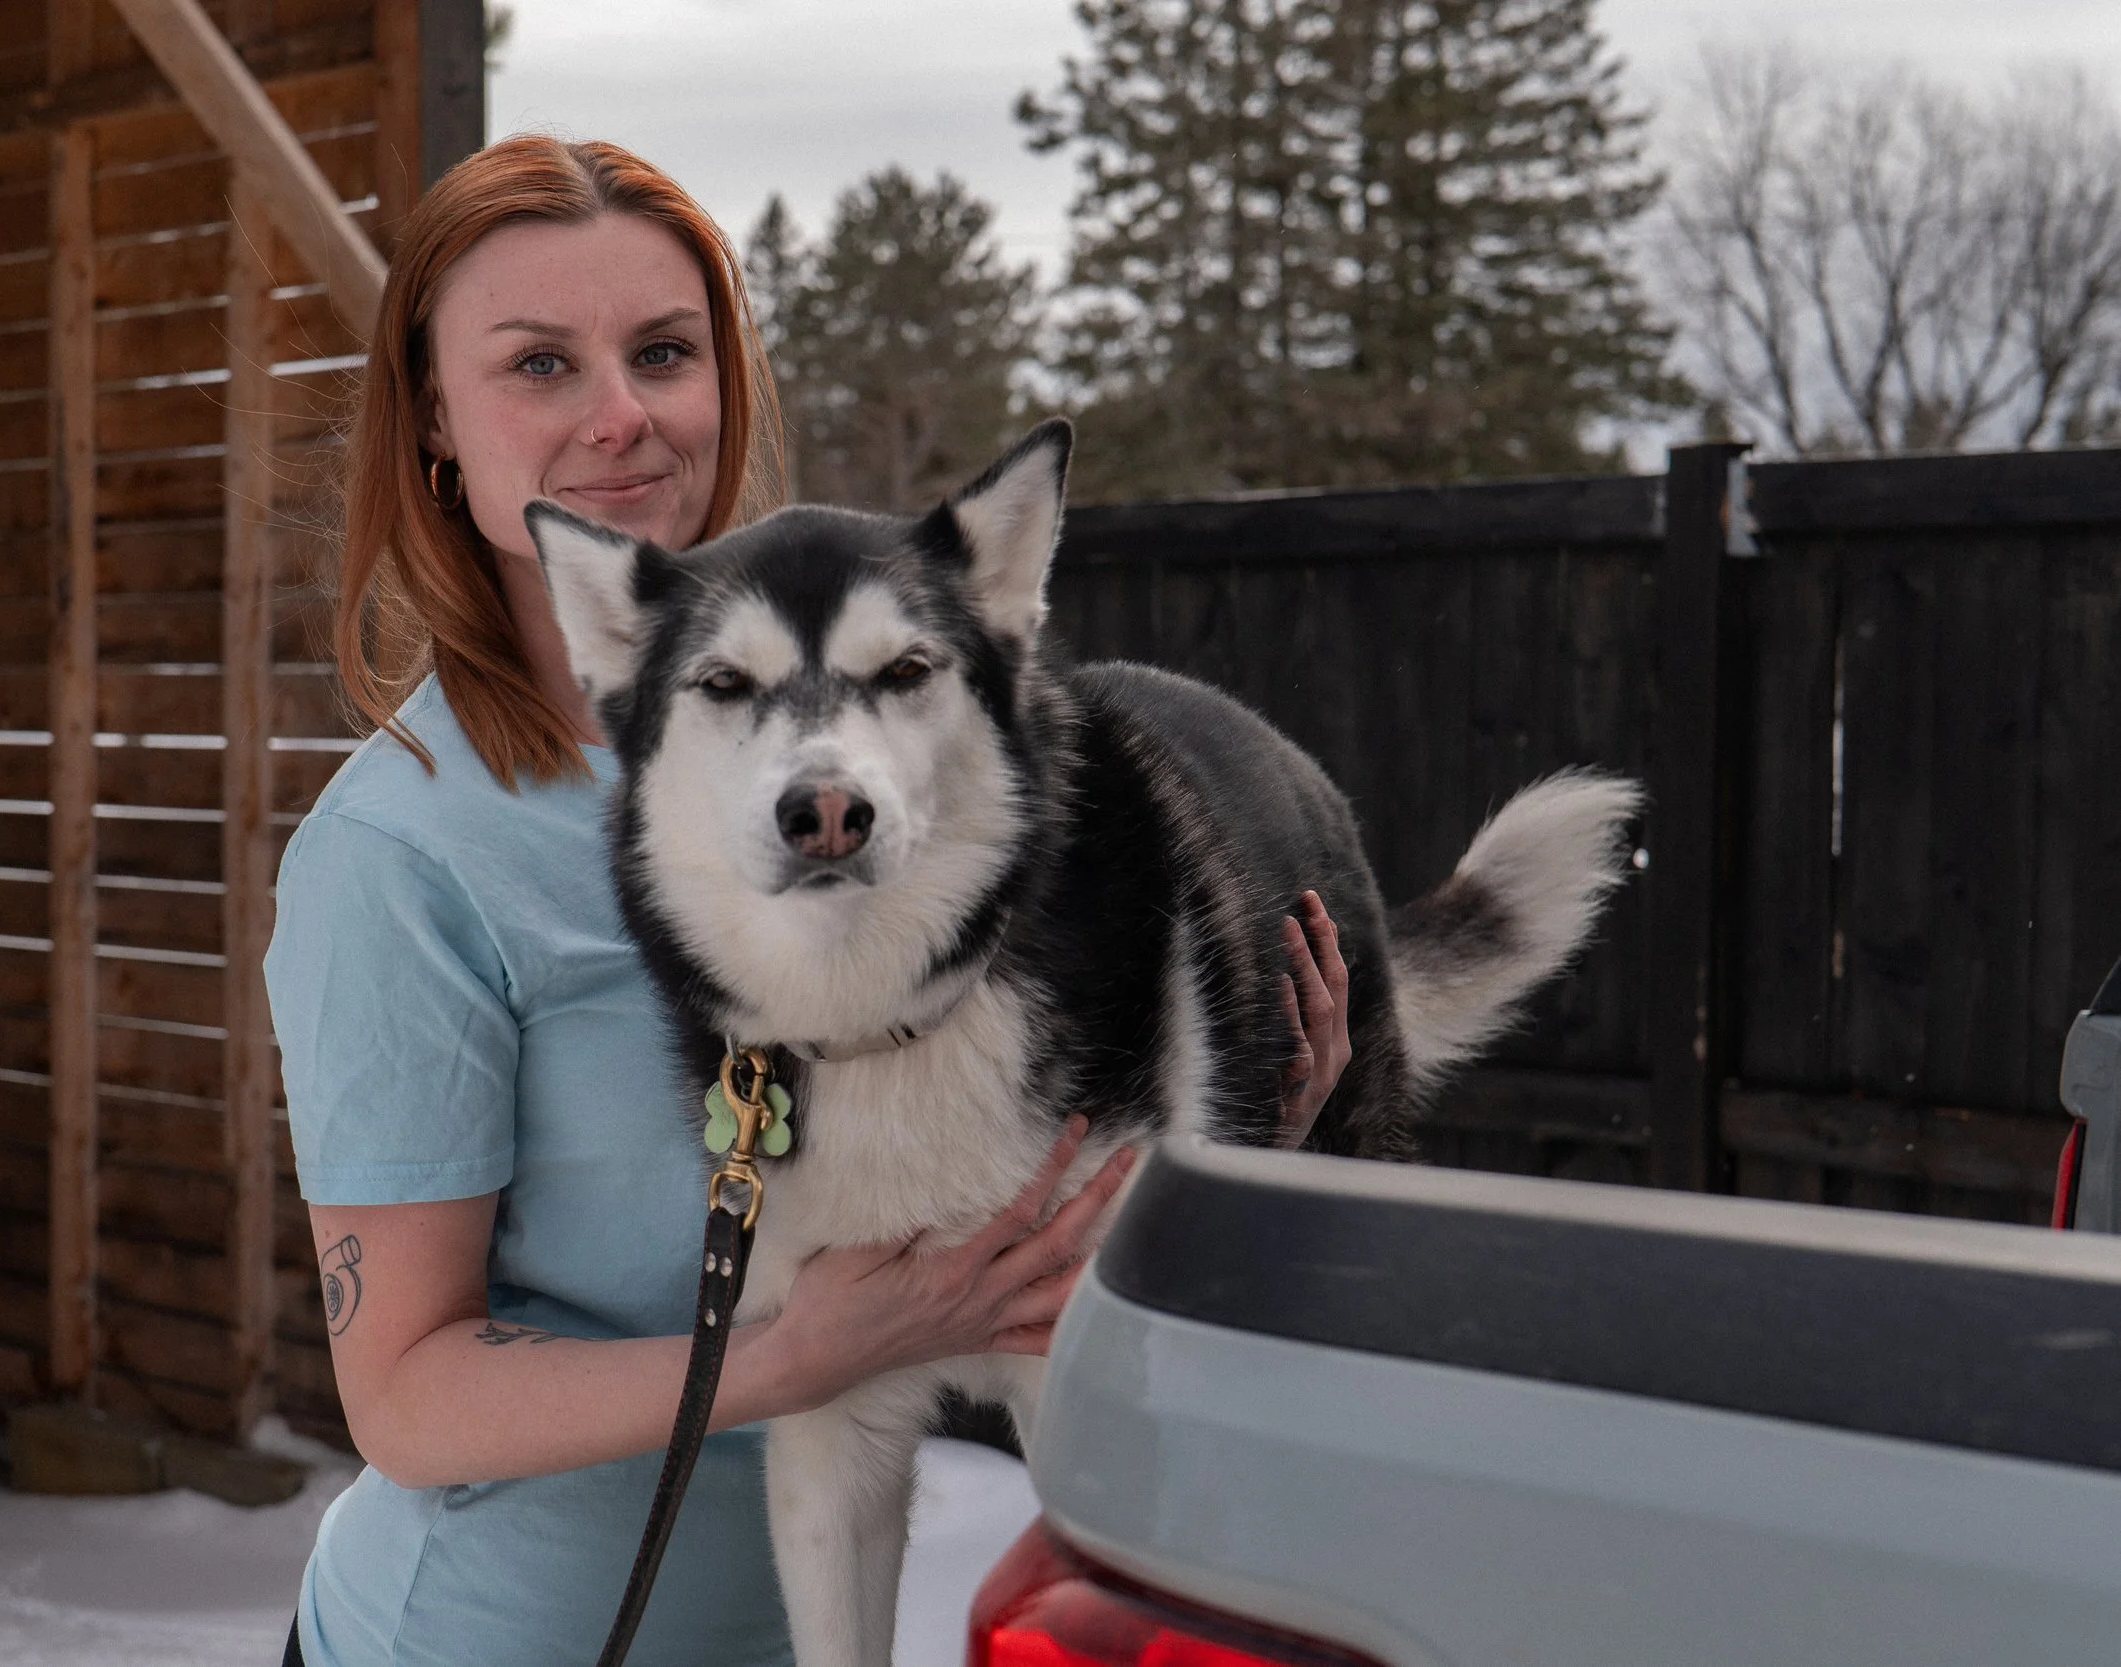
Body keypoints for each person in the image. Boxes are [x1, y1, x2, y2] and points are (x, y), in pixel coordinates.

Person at [264, 134, 1352, 1667]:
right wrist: (789, 1360)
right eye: (540, 364)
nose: (621, 414)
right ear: (436, 416)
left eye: (663, 352)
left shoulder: (894, 781)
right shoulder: (407, 851)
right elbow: (407, 1397)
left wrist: (1220, 1131)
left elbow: (997, 1209)